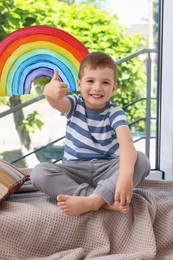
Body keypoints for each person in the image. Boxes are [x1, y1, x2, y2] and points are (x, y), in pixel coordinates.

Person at [30, 52, 150, 217]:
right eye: (90, 81)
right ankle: (99, 200)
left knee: (141, 160)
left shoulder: (115, 112)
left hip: (106, 169)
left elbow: (127, 144)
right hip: (75, 170)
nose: (97, 88)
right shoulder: (74, 104)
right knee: (38, 173)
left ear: (114, 87)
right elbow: (57, 103)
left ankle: (93, 201)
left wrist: (125, 176)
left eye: (105, 82)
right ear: (79, 84)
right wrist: (49, 93)